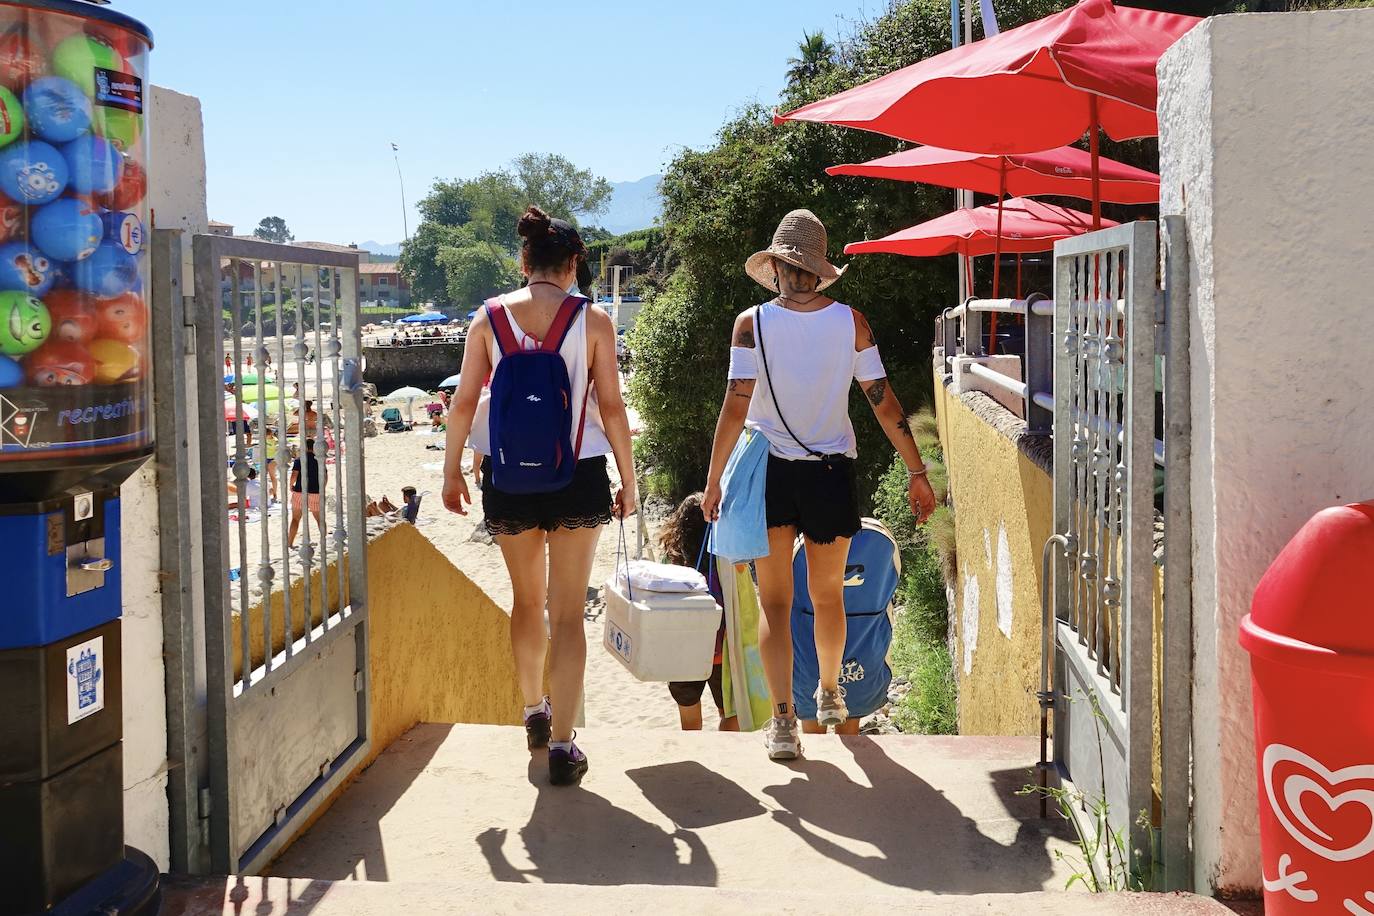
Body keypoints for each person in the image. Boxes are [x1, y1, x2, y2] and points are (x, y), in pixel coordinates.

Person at [701, 209, 935, 761]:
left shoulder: (749, 323)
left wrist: (713, 482)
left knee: (776, 605)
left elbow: (736, 406)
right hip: (831, 470)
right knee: (828, 596)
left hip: (770, 474)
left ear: (779, 266)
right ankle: (831, 692)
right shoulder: (851, 322)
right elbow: (882, 400)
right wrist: (917, 471)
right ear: (819, 268)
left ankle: (784, 723)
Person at [442, 206, 635, 786]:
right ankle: (563, 745)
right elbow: (612, 408)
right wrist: (630, 478)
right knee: (568, 614)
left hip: (509, 477)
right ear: (573, 265)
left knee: (526, 604)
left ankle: (532, 709)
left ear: (523, 261)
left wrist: (451, 471)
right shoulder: (593, 321)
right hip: (578, 473)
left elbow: (463, 402)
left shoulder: (489, 318)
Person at [659, 493, 738, 733]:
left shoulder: (671, 563)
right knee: (729, 716)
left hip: (683, 655)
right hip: (721, 655)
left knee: (690, 723)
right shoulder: (723, 561)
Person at [288, 437, 325, 547]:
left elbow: (294, 475)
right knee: (319, 519)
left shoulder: (299, 460)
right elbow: (325, 476)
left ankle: (290, 543)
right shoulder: (319, 460)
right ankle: (324, 541)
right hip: (315, 491)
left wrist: (291, 485)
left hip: (300, 491)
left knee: (295, 519)